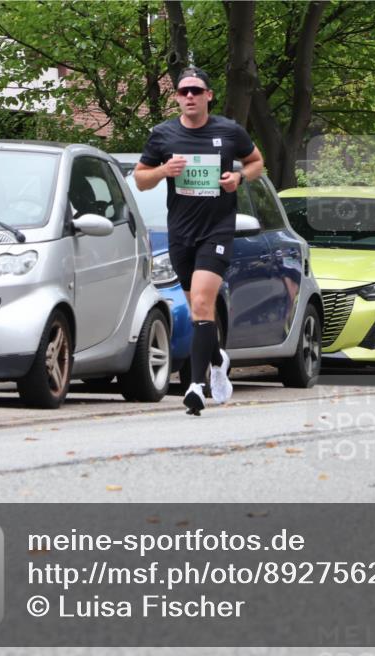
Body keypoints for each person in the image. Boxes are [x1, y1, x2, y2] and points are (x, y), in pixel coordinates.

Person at [135, 66, 264, 415]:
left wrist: (239, 178)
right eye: (183, 91)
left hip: (216, 230)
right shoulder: (163, 135)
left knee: (204, 304)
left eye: (196, 90)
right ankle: (218, 357)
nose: (189, 96)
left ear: (209, 95)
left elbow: (256, 162)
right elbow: (141, 180)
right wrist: (164, 171)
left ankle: (195, 385)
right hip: (180, 233)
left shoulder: (228, 131)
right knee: (198, 311)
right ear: (177, 98)